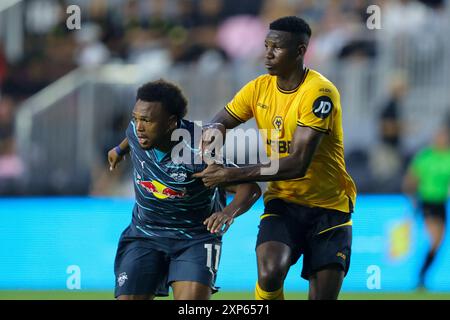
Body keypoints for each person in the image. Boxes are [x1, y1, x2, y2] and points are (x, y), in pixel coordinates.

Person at [193, 16, 357, 300]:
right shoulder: (259, 88)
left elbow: (297, 164)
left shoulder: (320, 93)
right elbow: (220, 120)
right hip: (284, 202)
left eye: (277, 47)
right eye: (266, 45)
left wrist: (229, 175)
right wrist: (212, 134)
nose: (267, 54)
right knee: (269, 272)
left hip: (330, 206)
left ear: (300, 50)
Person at [108, 79, 261, 300]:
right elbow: (131, 135)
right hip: (144, 234)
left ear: (171, 123)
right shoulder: (136, 131)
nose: (138, 126)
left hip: (194, 239)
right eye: (136, 118)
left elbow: (250, 188)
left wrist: (228, 213)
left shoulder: (200, 151)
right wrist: (119, 150)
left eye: (146, 120)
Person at [403, 123, 450, 289]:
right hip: (427, 202)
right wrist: (413, 198)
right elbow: (411, 179)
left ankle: (422, 275)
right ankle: (421, 276)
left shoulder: (448, 157)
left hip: (441, 203)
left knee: (439, 242)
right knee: (435, 239)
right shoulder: (425, 157)